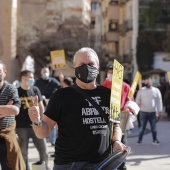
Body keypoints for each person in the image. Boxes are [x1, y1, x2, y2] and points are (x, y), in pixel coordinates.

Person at [28, 47, 125, 170]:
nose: (87, 67)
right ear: (75, 69)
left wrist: (116, 141)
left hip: (102, 164)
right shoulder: (61, 96)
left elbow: (116, 125)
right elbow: (43, 132)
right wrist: (36, 121)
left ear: (98, 68)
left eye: (91, 64)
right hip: (70, 165)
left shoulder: (109, 94)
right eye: (82, 64)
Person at [102, 64, 139, 170]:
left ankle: (122, 165)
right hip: (106, 119)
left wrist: (129, 108)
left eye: (112, 72)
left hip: (121, 117)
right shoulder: (103, 86)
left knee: (122, 142)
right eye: (109, 72)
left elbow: (130, 101)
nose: (110, 74)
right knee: (107, 143)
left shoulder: (125, 87)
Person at [15, 70, 50, 170]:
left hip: (36, 125)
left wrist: (42, 121)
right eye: (30, 77)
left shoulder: (35, 90)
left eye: (32, 77)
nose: (32, 79)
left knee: (43, 150)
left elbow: (41, 106)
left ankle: (45, 167)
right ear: (23, 78)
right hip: (21, 127)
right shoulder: (17, 91)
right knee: (23, 152)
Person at [0, 61, 25, 170]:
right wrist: (5, 108)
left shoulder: (10, 88)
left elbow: (15, 109)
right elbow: (9, 110)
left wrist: (10, 109)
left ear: (4, 73)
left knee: (11, 166)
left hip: (6, 136)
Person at [35, 65, 60, 146]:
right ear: (41, 73)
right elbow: (34, 91)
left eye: (46, 72)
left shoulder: (53, 81)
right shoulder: (37, 82)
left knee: (52, 122)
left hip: (51, 104)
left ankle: (52, 140)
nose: (45, 73)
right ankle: (43, 138)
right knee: (42, 121)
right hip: (42, 104)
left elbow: (60, 89)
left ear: (49, 72)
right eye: (44, 72)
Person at [135, 75, 163, 145]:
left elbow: (159, 101)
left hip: (153, 112)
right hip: (143, 112)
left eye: (149, 82)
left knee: (153, 128)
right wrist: (138, 103)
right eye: (146, 82)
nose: (148, 83)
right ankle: (139, 140)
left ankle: (155, 140)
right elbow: (137, 99)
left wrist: (159, 111)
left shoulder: (156, 90)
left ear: (152, 82)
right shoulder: (141, 90)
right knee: (142, 127)